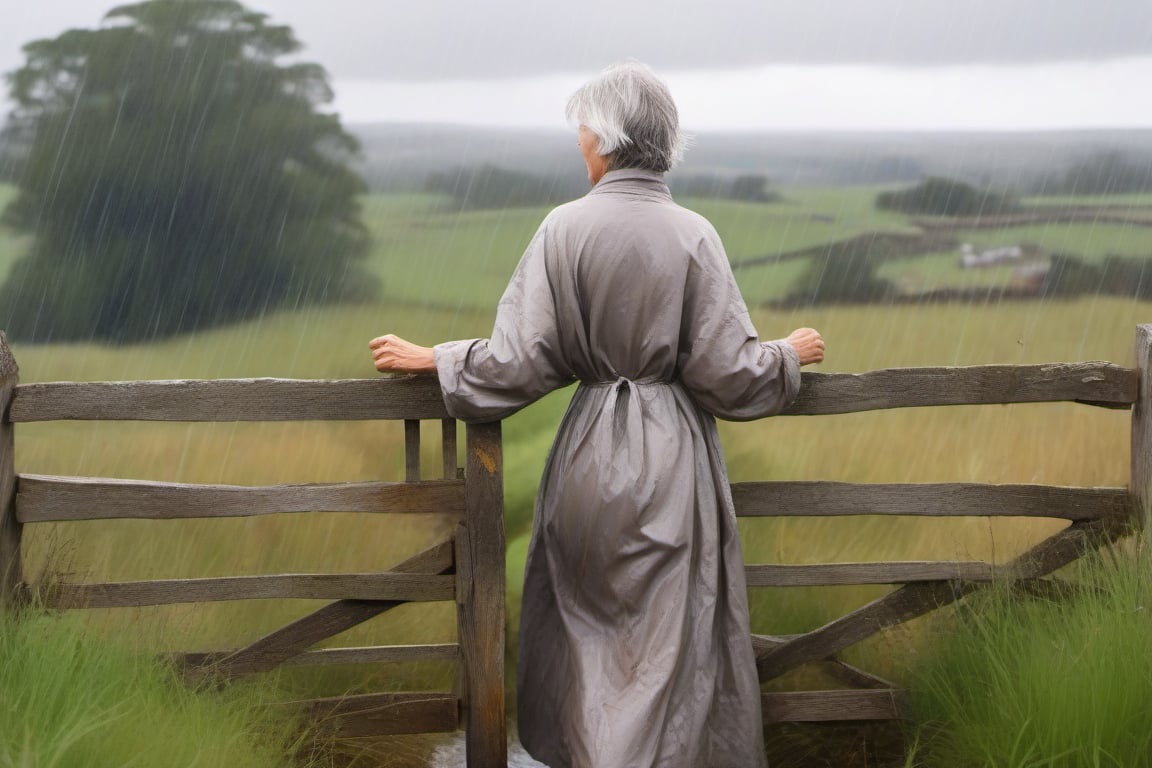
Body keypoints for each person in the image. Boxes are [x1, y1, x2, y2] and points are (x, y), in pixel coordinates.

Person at [370, 62, 824, 768]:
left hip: (585, 463)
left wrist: (442, 358)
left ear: (607, 139)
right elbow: (729, 377)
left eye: (583, 127)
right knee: (666, 653)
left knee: (587, 646)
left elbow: (519, 361)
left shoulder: (563, 230)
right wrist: (787, 355)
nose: (578, 141)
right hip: (673, 465)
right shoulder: (694, 234)